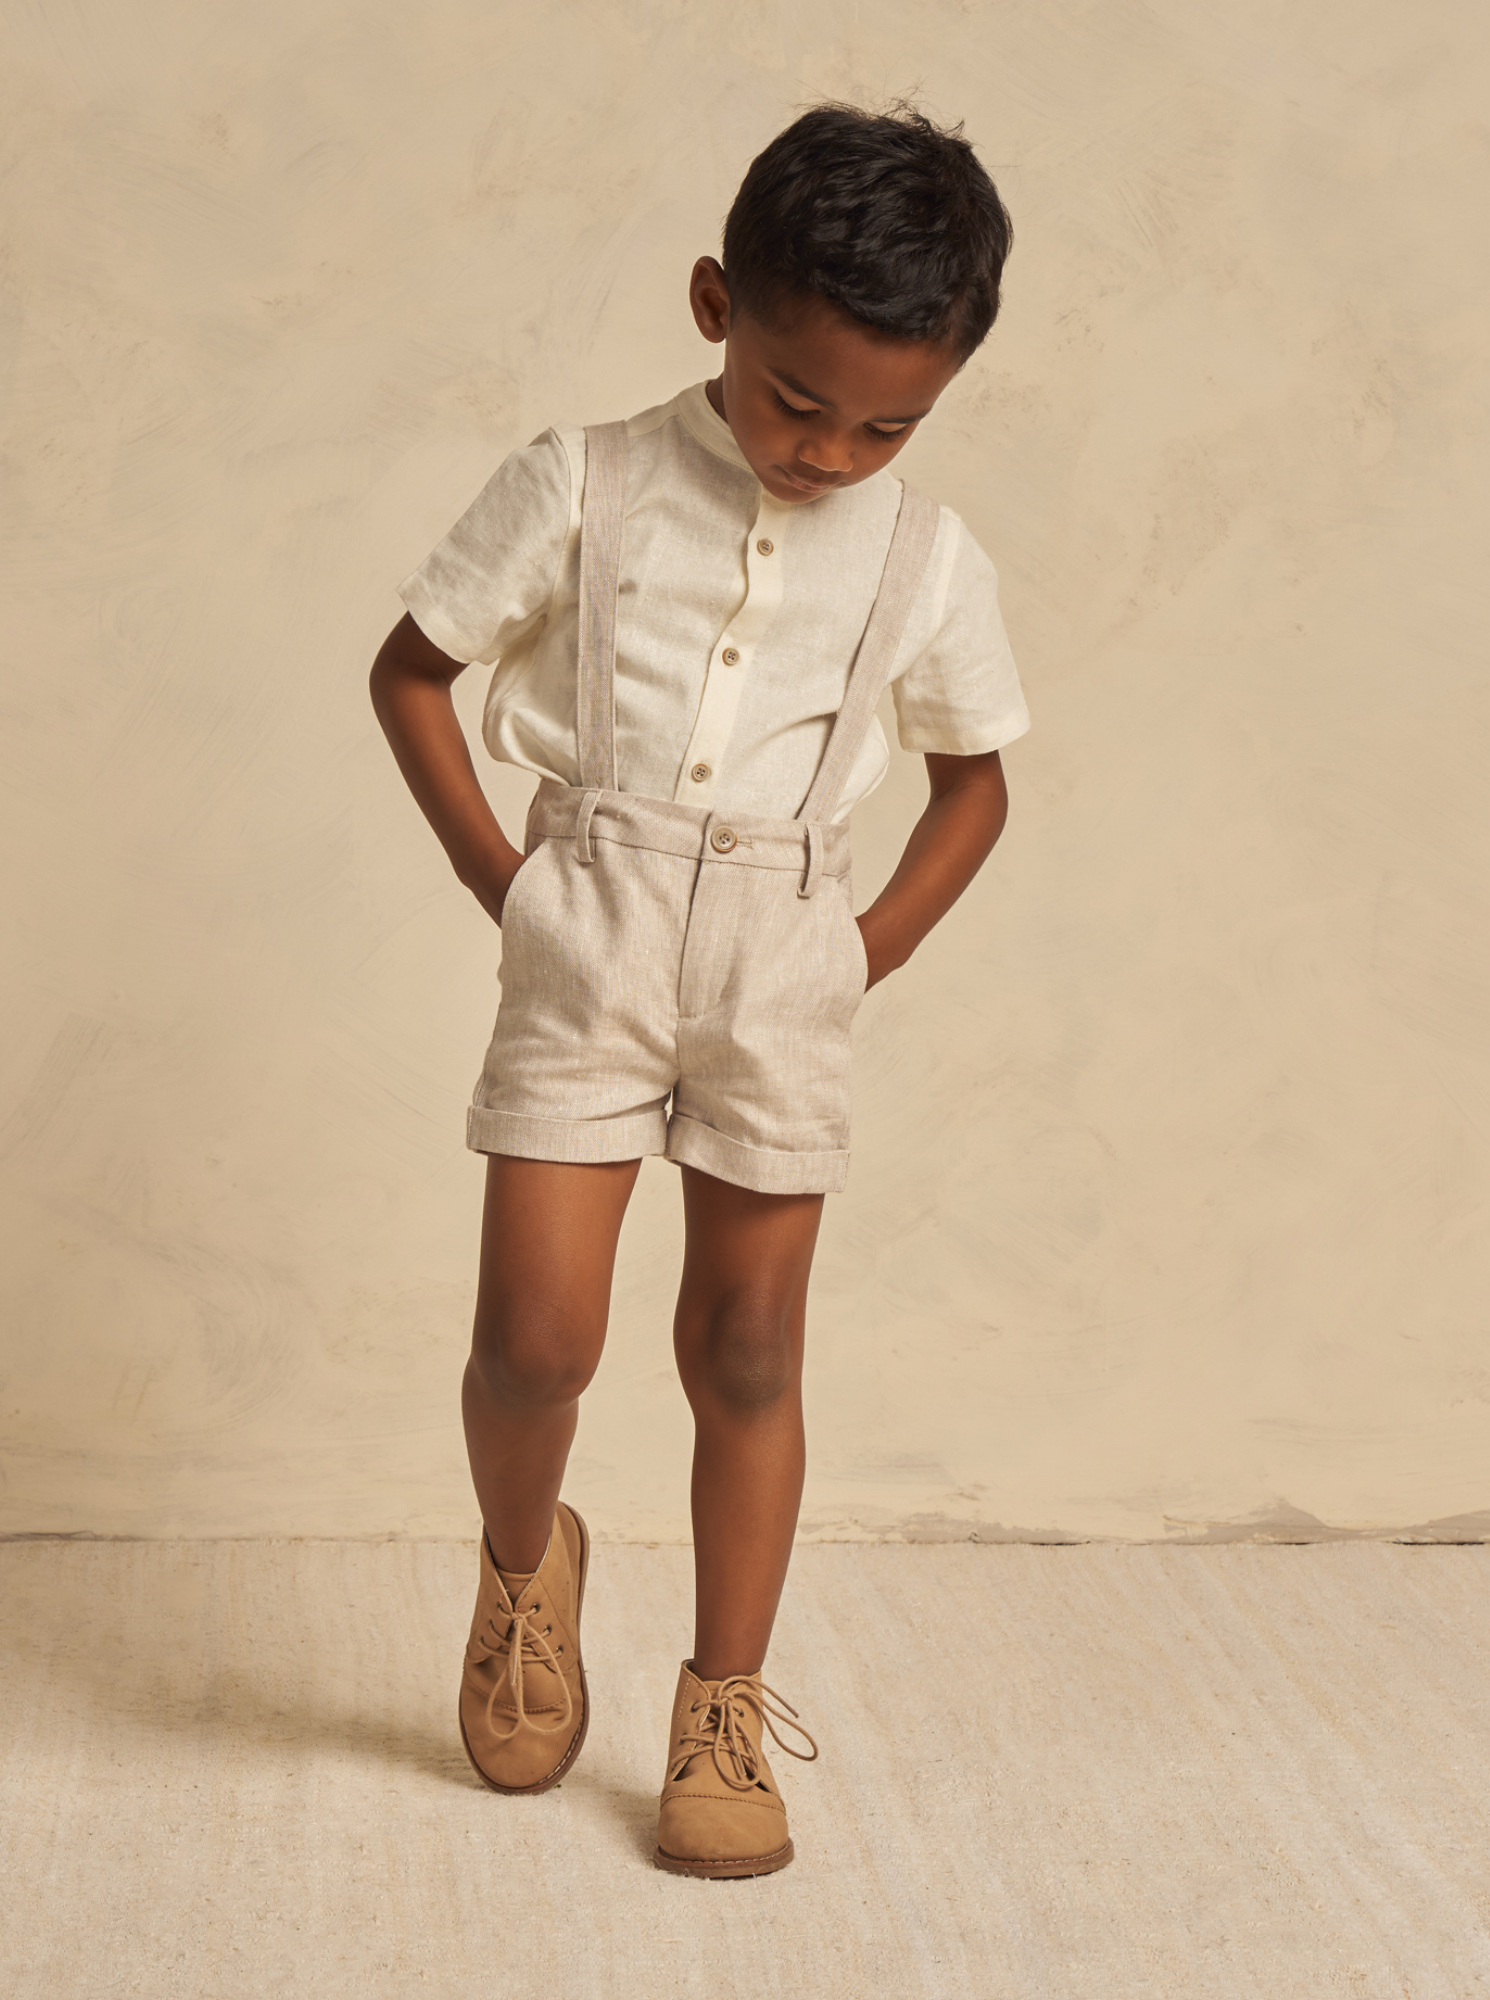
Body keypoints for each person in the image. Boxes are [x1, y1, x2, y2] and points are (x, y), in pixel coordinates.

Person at [369, 102, 1029, 1877]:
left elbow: (975, 783)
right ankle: (525, 1578)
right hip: (585, 920)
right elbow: (412, 672)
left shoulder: (925, 559)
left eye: (885, 423)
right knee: (535, 1343)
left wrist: (855, 947)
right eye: (792, 399)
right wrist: (504, 888)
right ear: (712, 303)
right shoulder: (580, 477)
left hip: (781, 952)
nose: (827, 453)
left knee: (743, 1346)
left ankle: (720, 1709)